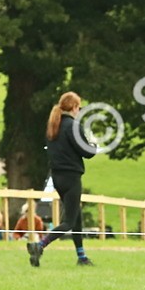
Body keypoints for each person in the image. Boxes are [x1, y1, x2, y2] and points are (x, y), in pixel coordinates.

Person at [27, 92, 97, 267]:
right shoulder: (73, 126)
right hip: (71, 177)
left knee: (76, 216)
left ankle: (82, 257)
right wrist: (94, 145)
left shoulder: (54, 125)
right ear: (74, 107)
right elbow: (86, 152)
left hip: (57, 177)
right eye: (78, 107)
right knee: (69, 222)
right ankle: (40, 245)